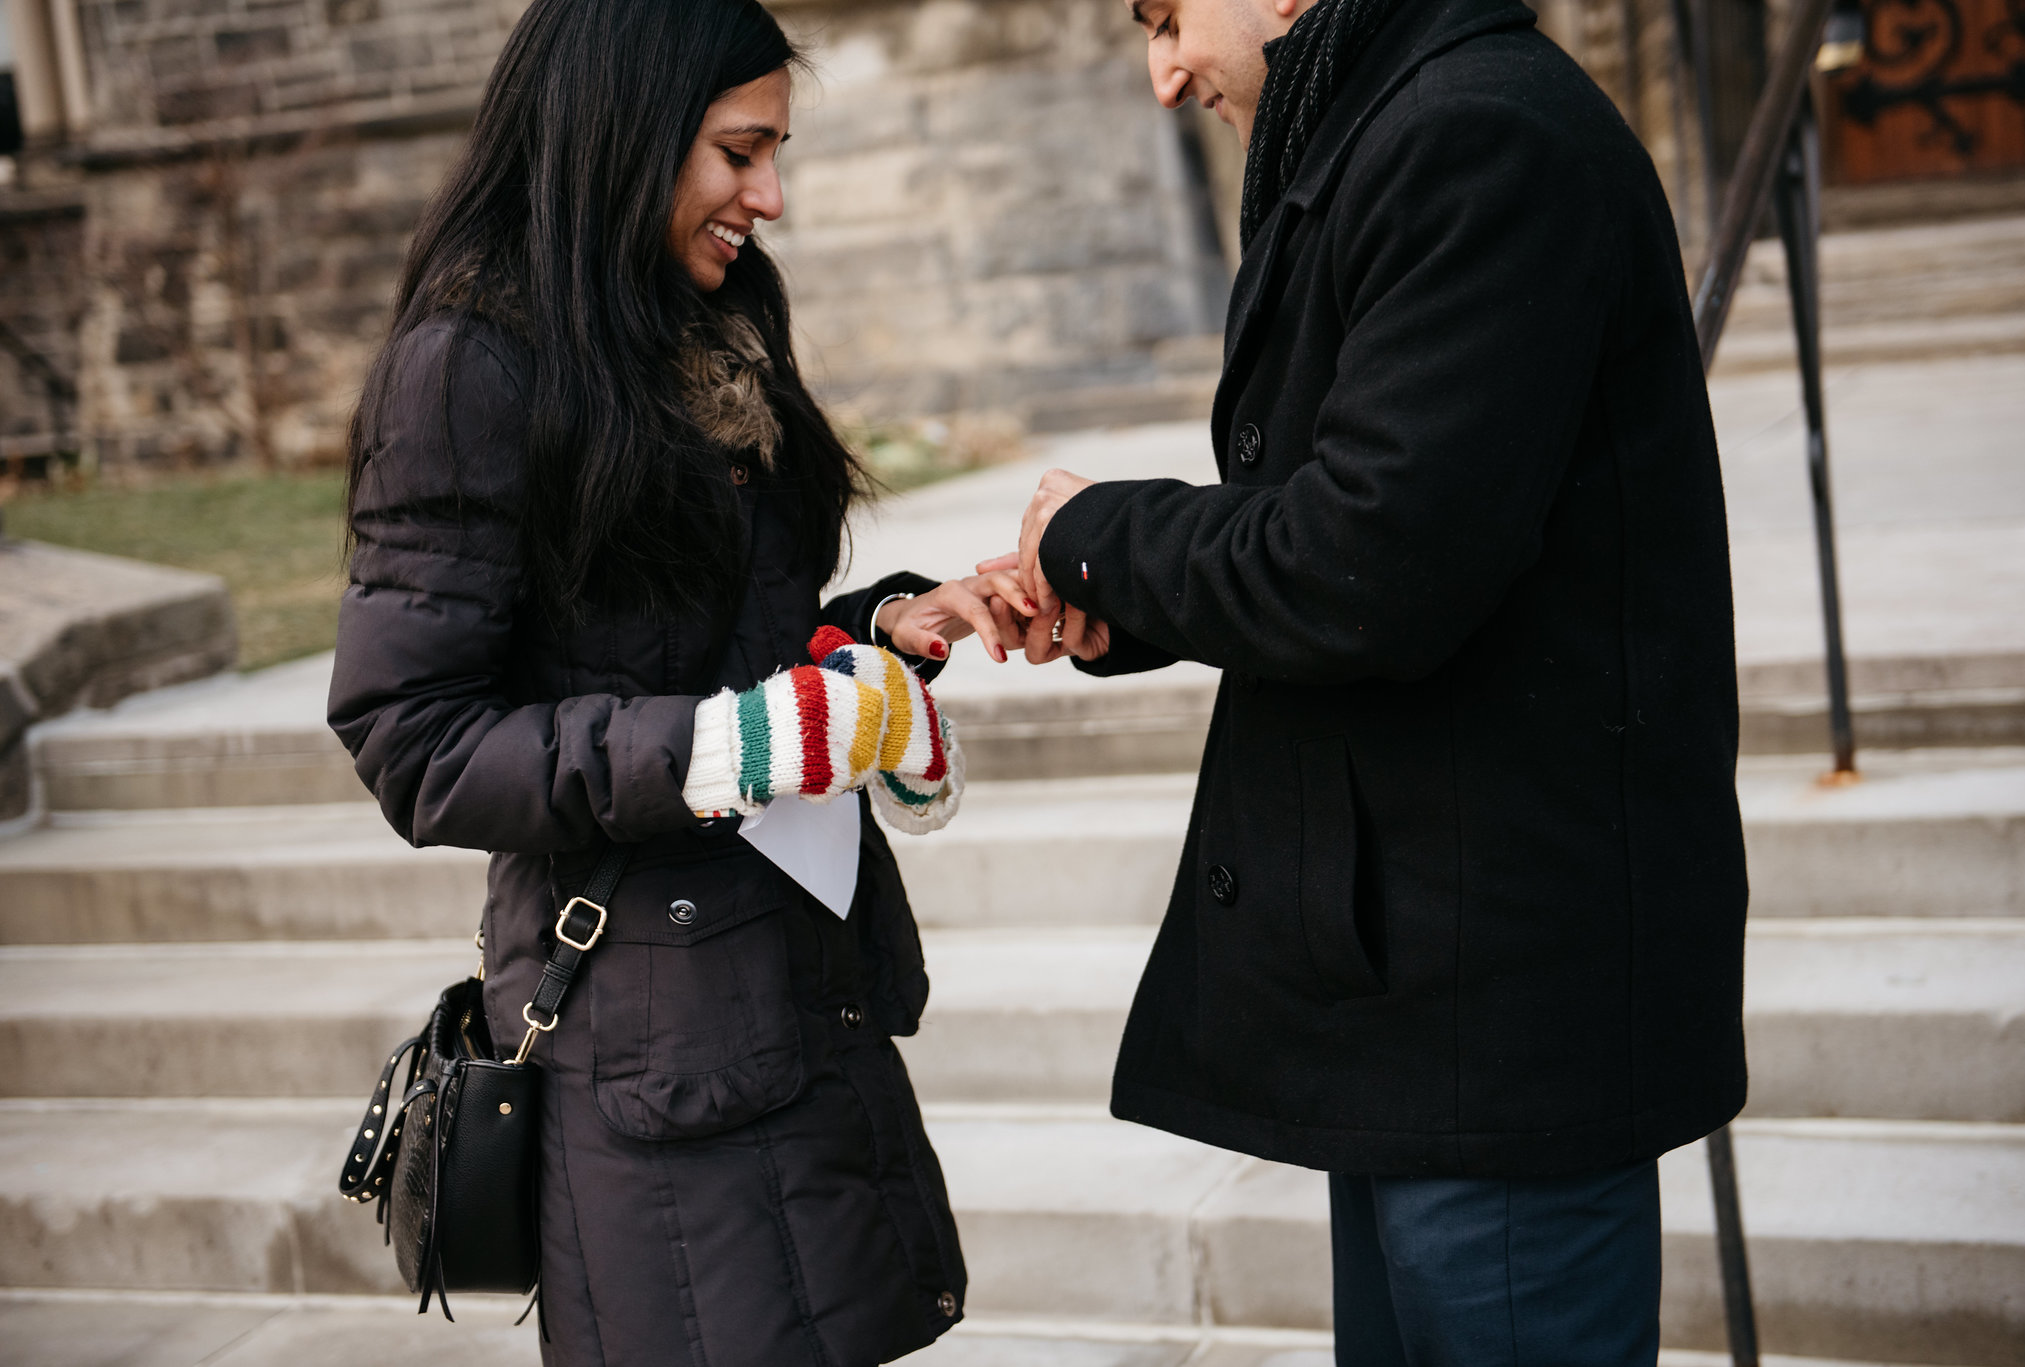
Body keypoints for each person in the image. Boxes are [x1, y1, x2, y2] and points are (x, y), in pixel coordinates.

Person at [1005, 0, 1750, 1361]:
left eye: (1168, 17)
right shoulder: (1383, 130)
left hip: (1500, 1008)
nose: (1163, 76)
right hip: (1421, 989)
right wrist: (1126, 602)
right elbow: (1361, 515)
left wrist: (1101, 534)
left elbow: (1374, 562)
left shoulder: (1475, 135)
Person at [327, 2, 1026, 1362]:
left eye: (774, 152)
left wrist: (876, 645)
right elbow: (414, 739)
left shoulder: (714, 322)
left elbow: (727, 664)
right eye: (737, 152)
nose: (769, 196)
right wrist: (736, 745)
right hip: (651, 1059)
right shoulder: (468, 368)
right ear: (627, 132)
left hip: (802, 997)